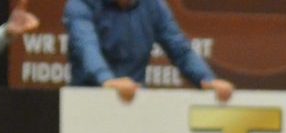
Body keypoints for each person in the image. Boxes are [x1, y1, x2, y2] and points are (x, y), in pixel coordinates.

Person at [65, 0, 233, 104]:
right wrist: (107, 80)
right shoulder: (81, 3)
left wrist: (207, 79)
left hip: (135, 102)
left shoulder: (153, 5)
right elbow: (86, 45)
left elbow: (179, 48)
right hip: (88, 101)